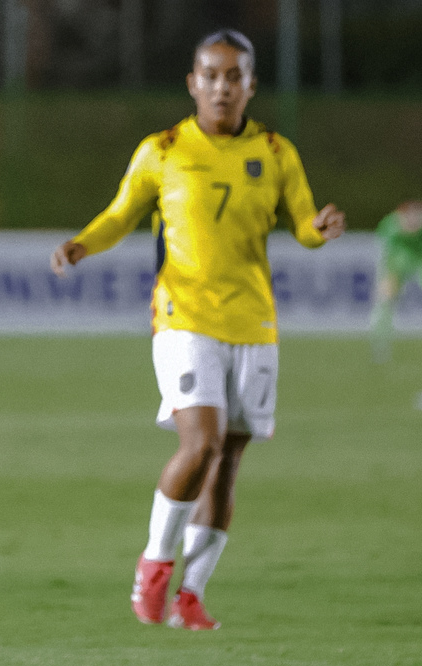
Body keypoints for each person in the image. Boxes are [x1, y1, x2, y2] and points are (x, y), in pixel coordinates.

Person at [50, 29, 345, 630]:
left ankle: (192, 593)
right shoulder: (162, 149)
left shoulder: (276, 150)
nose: (222, 86)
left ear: (251, 85)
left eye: (234, 76)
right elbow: (120, 214)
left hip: (254, 322)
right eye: (210, 75)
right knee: (201, 443)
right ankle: (155, 564)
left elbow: (303, 225)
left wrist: (319, 227)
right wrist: (83, 244)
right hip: (183, 315)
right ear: (192, 83)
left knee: (229, 460)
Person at [369, 200, 422, 363]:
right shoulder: (391, 225)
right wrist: (389, 278)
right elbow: (386, 251)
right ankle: (379, 346)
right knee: (384, 303)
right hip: (395, 264)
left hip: (418, 262)